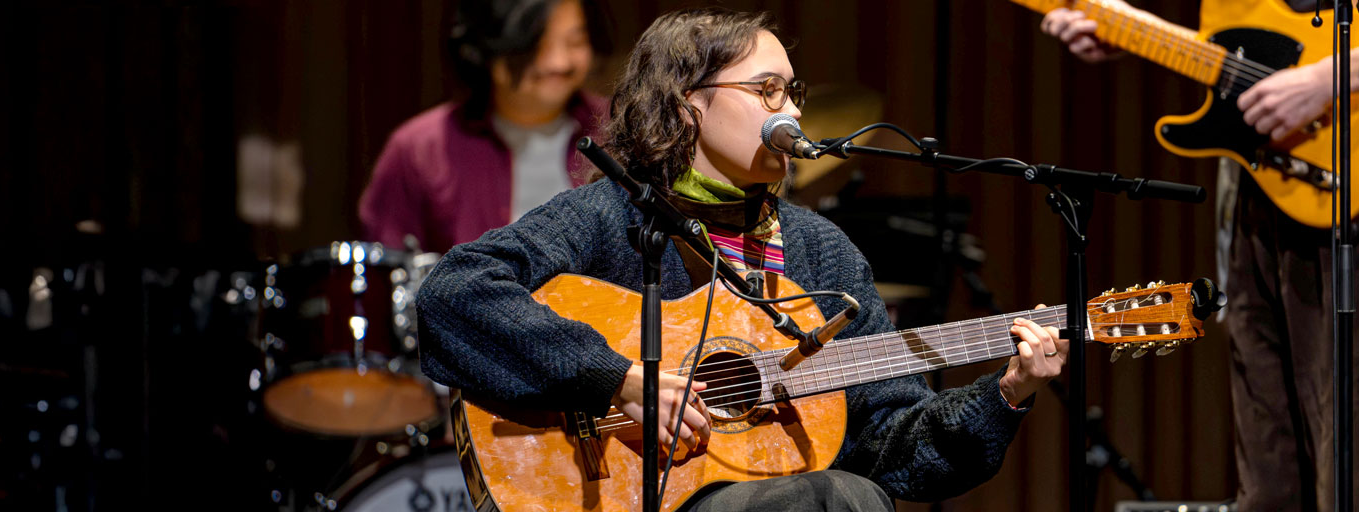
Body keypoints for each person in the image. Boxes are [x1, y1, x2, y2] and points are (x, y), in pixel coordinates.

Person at [418, 7, 1068, 511]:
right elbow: (455, 292)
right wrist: (614, 377)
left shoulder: (818, 251)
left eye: (793, 91)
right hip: (612, 489)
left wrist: (1007, 392)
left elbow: (891, 446)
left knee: (853, 495)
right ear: (687, 105)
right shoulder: (613, 215)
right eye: (768, 89)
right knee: (838, 501)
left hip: (772, 499)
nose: (793, 110)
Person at [1040, 1, 1359, 510]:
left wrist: (1329, 78)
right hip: (1258, 201)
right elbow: (1242, 46)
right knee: (1269, 488)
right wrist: (1129, 32)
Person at [358, 0, 612, 254]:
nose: (560, 62)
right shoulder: (417, 150)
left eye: (575, 42)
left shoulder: (621, 127)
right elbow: (387, 277)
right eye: (537, 44)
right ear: (485, 49)